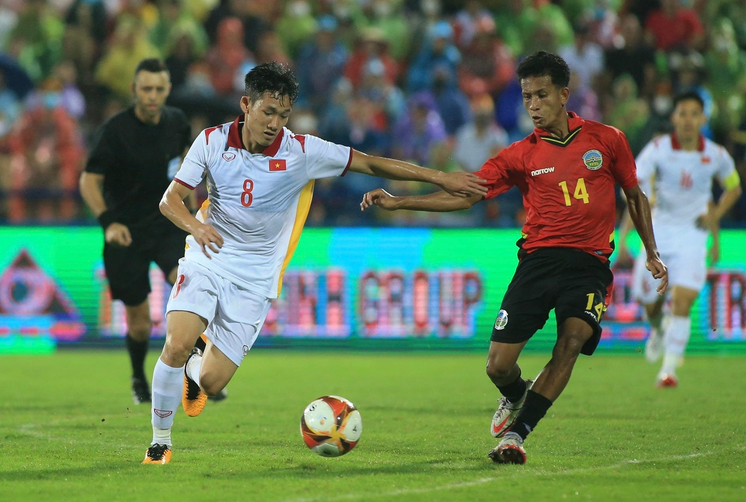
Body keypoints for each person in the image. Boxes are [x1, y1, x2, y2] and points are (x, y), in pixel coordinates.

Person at [142, 61, 487, 465]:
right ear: (246, 105)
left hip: (256, 277)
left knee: (212, 382)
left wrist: (442, 178)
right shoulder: (211, 141)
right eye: (268, 112)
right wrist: (196, 228)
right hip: (208, 256)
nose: (275, 123)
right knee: (176, 342)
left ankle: (196, 366)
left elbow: (371, 163)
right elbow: (170, 200)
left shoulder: (302, 152)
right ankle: (160, 441)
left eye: (284, 115)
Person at [360, 51, 668, 465]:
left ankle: (516, 436)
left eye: (542, 95)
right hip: (538, 263)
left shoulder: (607, 139)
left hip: (589, 265)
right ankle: (516, 392)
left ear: (564, 95)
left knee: (572, 340)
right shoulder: (520, 155)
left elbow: (635, 195)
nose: (533, 105)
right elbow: (466, 195)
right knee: (498, 367)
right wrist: (401, 202)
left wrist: (651, 252)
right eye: (526, 97)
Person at [80, 58, 194, 405]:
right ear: (134, 90)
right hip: (126, 233)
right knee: (140, 322)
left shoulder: (178, 123)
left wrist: (192, 211)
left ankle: (198, 372)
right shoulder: (114, 131)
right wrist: (108, 222)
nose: (152, 95)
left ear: (168, 90)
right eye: (146, 89)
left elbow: (187, 165)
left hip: (167, 226)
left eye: (159, 89)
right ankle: (138, 377)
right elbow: (89, 181)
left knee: (191, 290)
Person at [618, 91, 741, 388]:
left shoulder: (716, 154)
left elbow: (733, 187)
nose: (688, 120)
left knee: (683, 301)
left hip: (693, 237)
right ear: (674, 117)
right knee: (651, 303)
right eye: (682, 113)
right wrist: (643, 200)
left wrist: (715, 219)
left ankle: (669, 370)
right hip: (658, 235)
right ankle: (658, 329)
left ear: (703, 118)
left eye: (694, 114)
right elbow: (630, 184)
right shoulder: (658, 149)